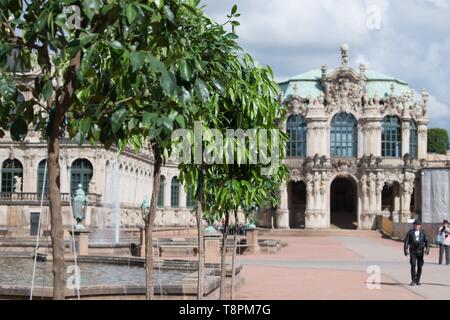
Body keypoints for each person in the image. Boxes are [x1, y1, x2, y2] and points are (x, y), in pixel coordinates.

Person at [404, 220, 430, 286]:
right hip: (413, 251)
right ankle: (413, 280)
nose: (416, 226)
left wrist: (427, 249)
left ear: (420, 226)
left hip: (420, 251)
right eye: (415, 225)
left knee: (420, 266)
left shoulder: (423, 233)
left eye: (418, 225)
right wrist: (405, 250)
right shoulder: (410, 232)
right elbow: (406, 241)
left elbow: (427, 241)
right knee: (413, 265)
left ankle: (417, 280)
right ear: (413, 225)